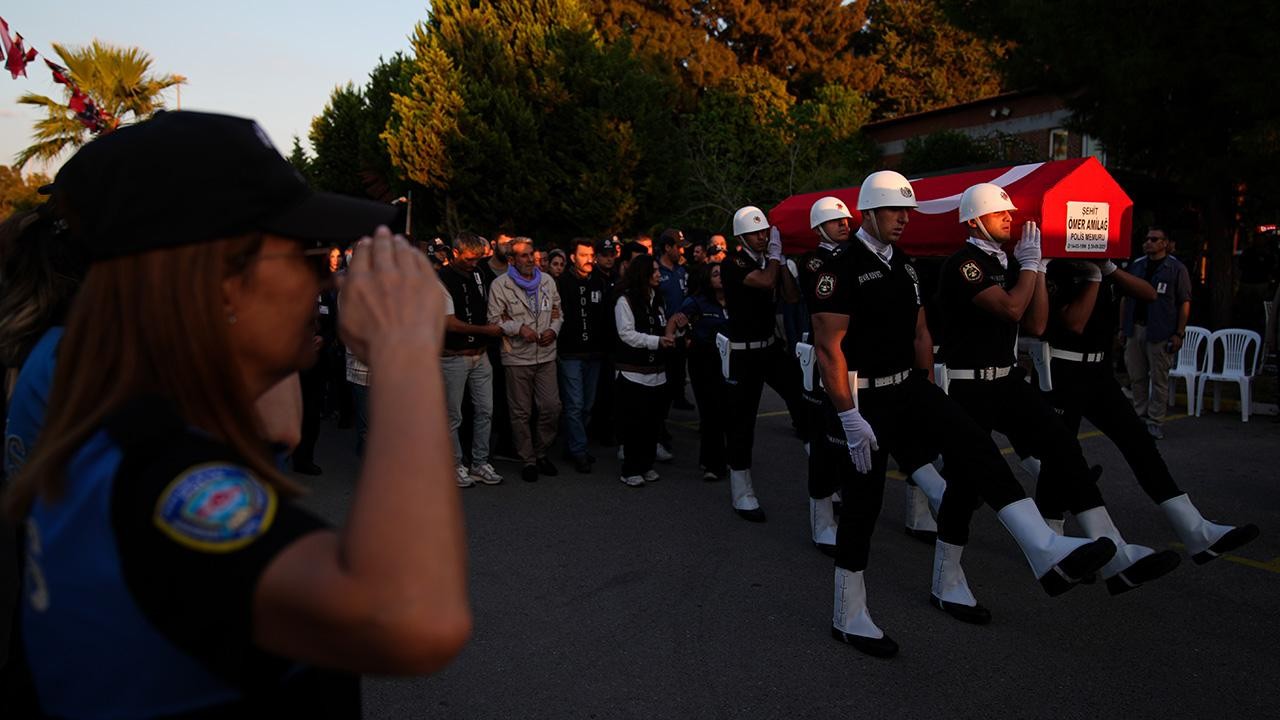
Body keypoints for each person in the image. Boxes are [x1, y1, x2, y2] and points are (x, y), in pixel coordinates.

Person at [4, 111, 470, 716]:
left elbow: (280, 428)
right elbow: (409, 617)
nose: (325, 283)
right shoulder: (158, 478)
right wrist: (403, 345)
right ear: (223, 283)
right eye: (306, 254)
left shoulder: (123, 432)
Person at [812, 171, 1114, 658]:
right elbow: (830, 350)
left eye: (907, 211)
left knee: (974, 443)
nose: (903, 220)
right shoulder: (839, 268)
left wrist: (928, 386)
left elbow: (920, 332)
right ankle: (848, 614)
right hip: (863, 396)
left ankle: (1042, 545)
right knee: (863, 505)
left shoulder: (905, 266)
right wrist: (848, 415)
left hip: (909, 385)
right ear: (867, 212)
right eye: (894, 211)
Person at [937, 182, 1178, 600]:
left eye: (1010, 212)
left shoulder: (1012, 262)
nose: (1010, 218)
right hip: (969, 385)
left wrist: (1039, 267)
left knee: (1064, 446)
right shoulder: (965, 264)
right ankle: (947, 578)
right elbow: (1011, 308)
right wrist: (1030, 266)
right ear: (975, 220)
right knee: (965, 485)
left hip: (1007, 379)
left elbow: (1034, 325)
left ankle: (1116, 553)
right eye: (1000, 214)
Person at [1044, 258, 1259, 565]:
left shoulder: (1104, 267)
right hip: (1065, 369)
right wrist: (1093, 276)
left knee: (1141, 445)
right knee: (1061, 458)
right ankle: (1055, 544)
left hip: (1099, 373)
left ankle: (1196, 530)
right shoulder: (1056, 267)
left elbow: (1149, 294)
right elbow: (1075, 322)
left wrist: (1109, 269)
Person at [719, 206, 806, 522]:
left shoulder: (771, 260)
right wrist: (774, 257)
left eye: (765, 231)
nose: (763, 236)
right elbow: (766, 282)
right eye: (756, 232)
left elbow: (792, 297)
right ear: (741, 236)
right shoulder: (733, 263)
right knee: (742, 421)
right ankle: (741, 490)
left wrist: (783, 263)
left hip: (769, 347)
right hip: (743, 353)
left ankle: (825, 478)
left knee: (803, 398)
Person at [795, 196, 856, 555]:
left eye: (846, 220)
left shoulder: (850, 254)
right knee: (824, 439)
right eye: (836, 222)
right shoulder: (814, 260)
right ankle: (821, 519)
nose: (844, 224)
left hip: (851, 358)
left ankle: (842, 495)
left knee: (847, 438)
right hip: (825, 359)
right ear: (819, 228)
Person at [488, 237, 563, 482]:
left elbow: (557, 311)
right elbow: (494, 320)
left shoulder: (548, 281)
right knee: (521, 412)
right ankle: (528, 459)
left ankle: (541, 452)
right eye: (523, 255)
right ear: (512, 260)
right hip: (517, 357)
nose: (530, 259)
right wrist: (519, 328)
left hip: (546, 355)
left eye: (532, 254)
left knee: (551, 407)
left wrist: (554, 329)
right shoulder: (501, 285)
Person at [441, 232, 505, 488]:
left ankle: (479, 462)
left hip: (480, 355)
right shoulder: (441, 279)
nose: (473, 263)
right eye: (469, 258)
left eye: (478, 258)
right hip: (453, 357)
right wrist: (485, 331)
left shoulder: (479, 273)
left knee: (485, 411)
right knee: (452, 416)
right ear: (455, 253)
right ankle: (455, 465)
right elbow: (449, 323)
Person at [613, 255, 678, 487]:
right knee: (634, 423)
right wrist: (656, 341)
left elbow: (663, 325)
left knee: (653, 423)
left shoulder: (657, 298)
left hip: (657, 372)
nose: (659, 274)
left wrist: (673, 333)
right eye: (655, 270)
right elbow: (627, 334)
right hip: (633, 373)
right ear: (643, 273)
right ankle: (630, 468)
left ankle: (646, 464)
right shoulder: (625, 301)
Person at [1121, 226, 1192, 439]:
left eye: (1154, 239)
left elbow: (1184, 302)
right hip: (1136, 328)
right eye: (1147, 239)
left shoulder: (1176, 269)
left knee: (1159, 379)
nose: (1148, 242)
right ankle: (1139, 416)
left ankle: (1155, 421)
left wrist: (1179, 333)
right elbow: (1126, 297)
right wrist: (1122, 328)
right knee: (1137, 377)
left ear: (1164, 243)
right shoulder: (1137, 265)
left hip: (1160, 331)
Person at [555, 238, 609, 473]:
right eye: (584, 255)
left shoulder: (599, 281)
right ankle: (578, 450)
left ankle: (573, 444)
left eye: (591, 255)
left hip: (594, 352)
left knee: (587, 405)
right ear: (573, 257)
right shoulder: (562, 283)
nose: (589, 259)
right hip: (570, 353)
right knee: (575, 404)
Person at [678, 262, 729, 481]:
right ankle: (712, 464)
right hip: (703, 361)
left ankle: (712, 457)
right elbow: (676, 321)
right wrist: (681, 336)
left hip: (729, 361)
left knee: (725, 412)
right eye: (716, 274)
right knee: (711, 412)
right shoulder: (696, 302)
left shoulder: (735, 301)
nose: (721, 277)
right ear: (707, 279)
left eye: (723, 274)